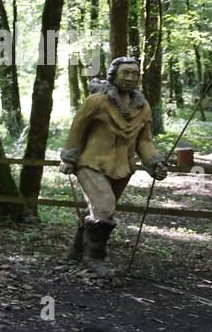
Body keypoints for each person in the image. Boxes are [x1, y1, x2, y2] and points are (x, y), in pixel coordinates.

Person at [58, 55, 167, 277]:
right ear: (113, 74)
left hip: (123, 167)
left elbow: (144, 141)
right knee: (105, 207)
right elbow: (77, 129)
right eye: (125, 73)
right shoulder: (97, 101)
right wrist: (69, 157)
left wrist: (154, 163)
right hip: (91, 163)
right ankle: (94, 259)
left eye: (134, 74)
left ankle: (76, 253)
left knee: (98, 210)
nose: (130, 78)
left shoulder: (142, 107)